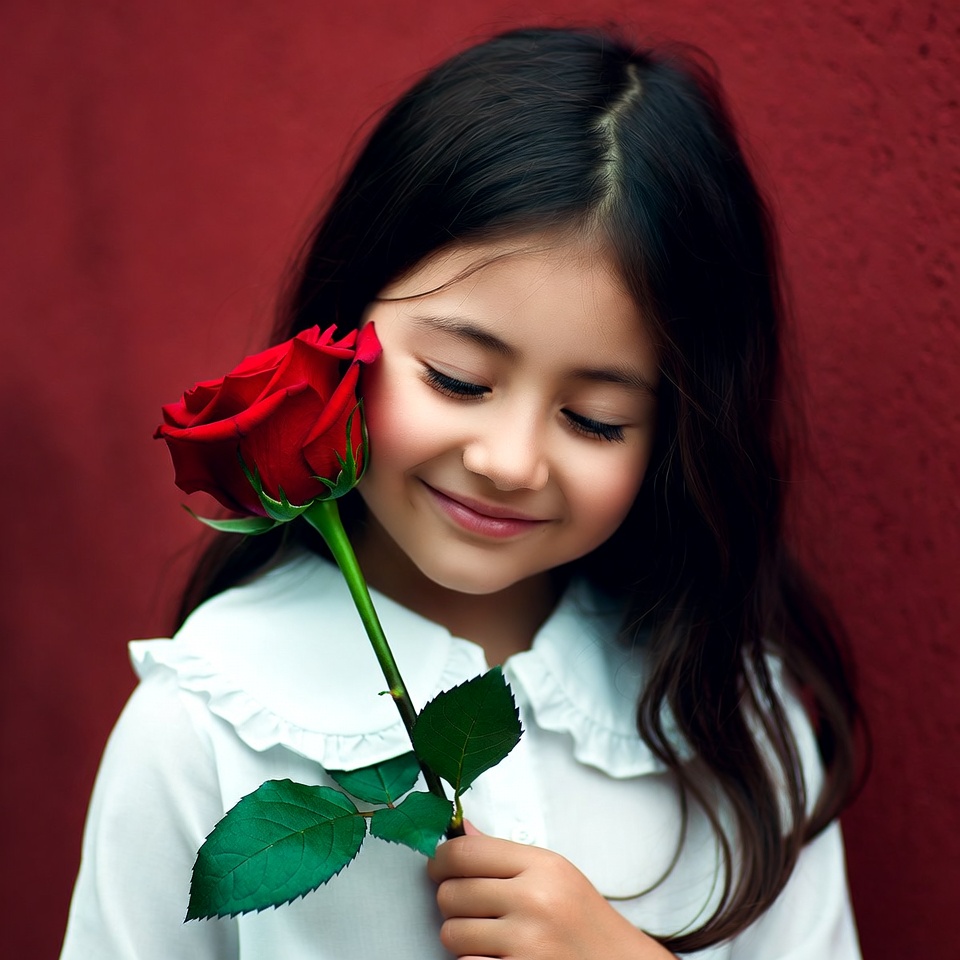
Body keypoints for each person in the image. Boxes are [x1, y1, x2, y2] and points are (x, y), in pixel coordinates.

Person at [61, 25, 865, 959]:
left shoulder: (735, 724)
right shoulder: (208, 728)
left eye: (597, 419)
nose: (511, 460)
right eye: (456, 378)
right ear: (344, 330)